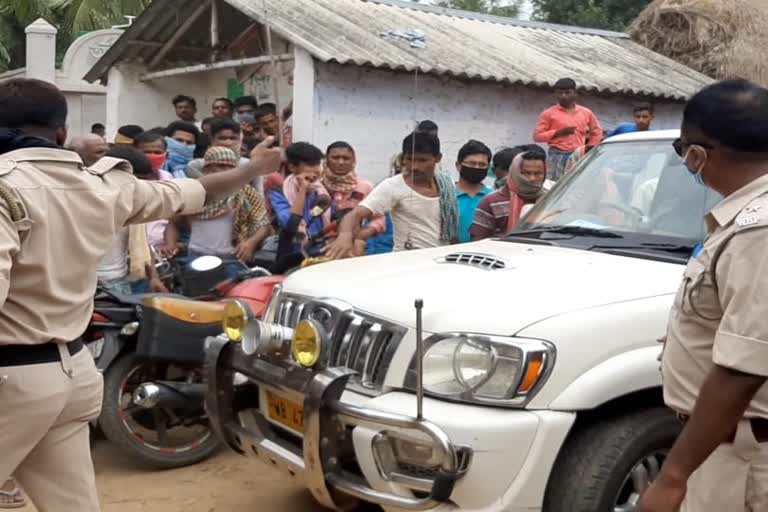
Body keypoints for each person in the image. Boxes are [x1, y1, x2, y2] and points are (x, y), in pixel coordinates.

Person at [0, 78, 281, 512]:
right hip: (72, 373)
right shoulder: (102, 186)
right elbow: (194, 193)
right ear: (60, 132)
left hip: (14, 378)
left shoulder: (6, 187)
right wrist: (251, 169)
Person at [637, 80, 768, 512]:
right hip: (728, 442)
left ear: (696, 154)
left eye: (681, 150)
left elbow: (742, 370)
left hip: (740, 455)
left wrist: (674, 477)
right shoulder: (746, 218)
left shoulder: (758, 230)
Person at [328, 131, 458, 258]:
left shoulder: (447, 185)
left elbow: (451, 230)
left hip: (441, 260)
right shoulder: (393, 186)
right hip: (406, 261)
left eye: (422, 160)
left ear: (437, 158)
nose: (415, 166)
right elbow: (355, 214)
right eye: (410, 159)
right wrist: (344, 236)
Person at [168, 147, 271, 277]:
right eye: (216, 166)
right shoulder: (195, 194)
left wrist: (250, 243)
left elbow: (263, 225)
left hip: (233, 260)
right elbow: (174, 222)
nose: (221, 171)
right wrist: (170, 245)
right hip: (196, 259)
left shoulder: (247, 193)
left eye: (227, 167)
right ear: (206, 170)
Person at [96, 146, 170, 295]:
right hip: (86, 286)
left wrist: (154, 278)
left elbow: (143, 243)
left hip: (119, 284)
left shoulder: (134, 205)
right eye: (134, 181)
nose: (139, 187)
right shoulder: (87, 203)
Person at [269, 142, 330, 266]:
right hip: (291, 253)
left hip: (319, 250)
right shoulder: (279, 192)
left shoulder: (320, 190)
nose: (316, 170)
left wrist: (320, 207)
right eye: (310, 165)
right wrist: (302, 190)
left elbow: (313, 215)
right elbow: (292, 224)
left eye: (318, 164)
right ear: (292, 167)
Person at [533, 78, 603, 181]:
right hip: (557, 155)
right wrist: (558, 132)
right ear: (555, 94)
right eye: (560, 93)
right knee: (556, 184)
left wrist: (590, 147)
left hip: (579, 154)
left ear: (575, 93)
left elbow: (596, 131)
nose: (563, 96)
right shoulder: (548, 113)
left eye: (567, 92)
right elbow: (537, 136)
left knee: (577, 182)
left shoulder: (585, 112)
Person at [470, 149, 548, 240]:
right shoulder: (491, 201)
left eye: (538, 173)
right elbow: (478, 240)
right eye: (526, 173)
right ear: (515, 172)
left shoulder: (550, 200)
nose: (532, 178)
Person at [321, 141, 385, 244]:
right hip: (318, 246)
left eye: (346, 158)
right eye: (335, 158)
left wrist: (361, 236)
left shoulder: (364, 187)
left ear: (353, 161)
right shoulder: (316, 186)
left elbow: (379, 220)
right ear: (327, 160)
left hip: (352, 248)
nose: (340, 162)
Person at [455, 140, 493, 243]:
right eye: (472, 163)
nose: (477, 168)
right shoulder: (446, 196)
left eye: (482, 164)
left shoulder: (493, 198)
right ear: (458, 165)